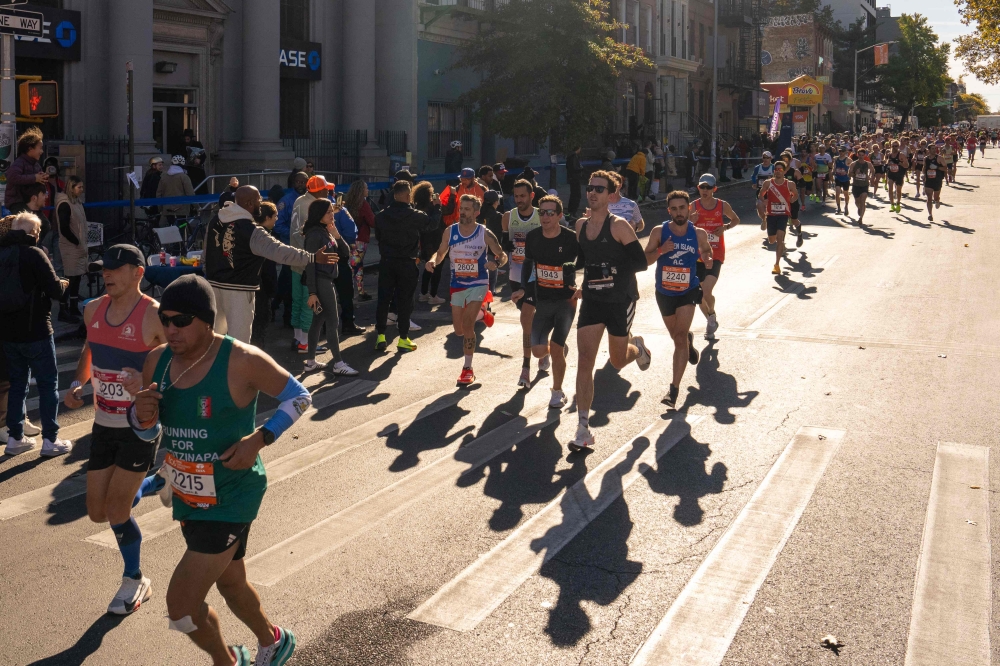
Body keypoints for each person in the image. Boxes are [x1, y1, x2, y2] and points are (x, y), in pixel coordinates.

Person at [130, 275, 304, 666]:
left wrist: (260, 439)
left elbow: (299, 396)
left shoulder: (241, 359)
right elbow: (150, 429)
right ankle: (273, 641)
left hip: (233, 494)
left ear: (207, 321)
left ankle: (227, 663)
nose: (170, 329)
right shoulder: (157, 362)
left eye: (181, 321)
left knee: (181, 606)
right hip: (190, 493)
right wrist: (139, 417)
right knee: (231, 582)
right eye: (165, 318)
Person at [62, 244, 167, 614]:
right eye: (103, 267)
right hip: (102, 424)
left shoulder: (153, 316)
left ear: (138, 273)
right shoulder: (93, 309)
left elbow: (179, 365)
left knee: (118, 509)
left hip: (140, 425)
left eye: (116, 268)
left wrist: (146, 378)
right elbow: (90, 349)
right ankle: (157, 483)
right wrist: (78, 383)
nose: (106, 273)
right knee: (96, 511)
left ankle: (135, 579)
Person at [570, 171, 650, 452]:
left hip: (620, 299)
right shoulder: (580, 225)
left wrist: (609, 272)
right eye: (590, 188)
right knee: (585, 361)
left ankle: (637, 348)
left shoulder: (620, 227)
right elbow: (579, 260)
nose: (592, 193)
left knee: (617, 361)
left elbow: (640, 263)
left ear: (611, 195)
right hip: (593, 299)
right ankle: (583, 427)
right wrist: (574, 282)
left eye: (599, 190)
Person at [204, 186, 338, 344]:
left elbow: (205, 253)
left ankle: (214, 368)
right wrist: (312, 257)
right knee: (238, 344)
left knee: (213, 341)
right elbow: (281, 252)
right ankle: (237, 369)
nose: (261, 204)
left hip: (213, 288)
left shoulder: (215, 221)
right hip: (239, 291)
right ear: (249, 203)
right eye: (259, 200)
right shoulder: (252, 231)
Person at [1, 213, 71, 456]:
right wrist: (64, 282)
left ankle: (14, 438)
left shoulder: (2, 254)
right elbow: (55, 290)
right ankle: (50, 440)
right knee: (48, 384)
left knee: (17, 385)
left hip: (9, 335)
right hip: (37, 330)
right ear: (35, 233)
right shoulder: (34, 253)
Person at [425, 194, 507, 385]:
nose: (462, 212)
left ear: (476, 212)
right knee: (459, 330)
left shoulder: (483, 233)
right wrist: (432, 261)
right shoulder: (450, 231)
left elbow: (502, 255)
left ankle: (467, 369)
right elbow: (440, 253)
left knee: (468, 325)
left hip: (478, 283)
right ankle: (482, 313)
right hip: (457, 285)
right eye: (461, 208)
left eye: (467, 209)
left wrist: (495, 262)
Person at [644, 191, 714, 408]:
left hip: (688, 291)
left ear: (689, 209)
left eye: (682, 208)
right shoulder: (659, 232)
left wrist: (708, 258)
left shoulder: (698, 233)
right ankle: (688, 343)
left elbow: (706, 249)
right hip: (664, 293)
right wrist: (660, 250)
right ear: (669, 211)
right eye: (674, 209)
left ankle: (673, 390)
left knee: (680, 334)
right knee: (677, 338)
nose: (678, 212)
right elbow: (644, 260)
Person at [514, 195, 579, 407]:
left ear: (560, 215)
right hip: (543, 300)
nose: (546, 217)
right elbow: (528, 263)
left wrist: (580, 284)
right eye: (542, 212)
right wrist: (524, 288)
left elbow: (587, 260)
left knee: (557, 349)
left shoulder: (570, 238)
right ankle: (555, 349)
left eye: (551, 213)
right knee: (538, 351)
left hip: (565, 302)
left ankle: (557, 391)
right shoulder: (533, 237)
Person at [373, 180, 438, 352]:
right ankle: (403, 338)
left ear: (394, 195)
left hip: (387, 261)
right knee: (405, 300)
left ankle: (380, 336)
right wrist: (436, 207)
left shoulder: (380, 216)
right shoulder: (415, 215)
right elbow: (431, 225)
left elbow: (378, 237)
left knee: (384, 299)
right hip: (407, 262)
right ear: (408, 195)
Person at [302, 199, 359, 376]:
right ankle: (338, 363)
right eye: (328, 212)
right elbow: (310, 264)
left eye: (331, 211)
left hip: (327, 280)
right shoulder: (314, 235)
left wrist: (336, 234)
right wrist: (312, 292)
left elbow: (345, 253)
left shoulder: (325, 231)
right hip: (321, 281)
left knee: (318, 321)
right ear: (319, 214)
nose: (331, 214)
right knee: (333, 322)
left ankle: (310, 361)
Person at [502, 179, 546, 388]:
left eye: (522, 196)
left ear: (531, 196)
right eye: (516, 196)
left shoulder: (542, 215)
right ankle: (544, 346)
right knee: (529, 320)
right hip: (516, 274)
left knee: (527, 318)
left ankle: (526, 368)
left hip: (539, 275)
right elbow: (503, 246)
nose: (519, 200)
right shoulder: (508, 217)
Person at [689, 174, 739, 339]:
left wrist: (725, 227)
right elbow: (678, 227)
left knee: (706, 290)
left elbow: (736, 219)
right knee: (699, 294)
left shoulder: (722, 205)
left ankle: (711, 316)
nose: (704, 190)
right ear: (698, 188)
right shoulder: (692, 206)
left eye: (708, 188)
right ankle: (711, 319)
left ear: (714, 189)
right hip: (695, 256)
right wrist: (690, 221)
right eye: (702, 187)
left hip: (715, 254)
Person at [287, 174, 332, 350]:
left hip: (295, 259)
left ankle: (298, 338)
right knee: (309, 301)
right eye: (326, 188)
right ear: (319, 190)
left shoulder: (300, 200)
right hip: (308, 260)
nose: (328, 191)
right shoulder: (312, 206)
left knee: (297, 300)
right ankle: (306, 341)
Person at [55, 177, 88, 324]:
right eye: (79, 187)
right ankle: (63, 309)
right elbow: (64, 228)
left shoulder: (77, 203)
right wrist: (76, 241)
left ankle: (73, 306)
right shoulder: (65, 204)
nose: (81, 189)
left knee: (77, 277)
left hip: (79, 245)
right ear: (71, 188)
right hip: (70, 246)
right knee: (70, 278)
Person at [757, 160, 797, 275]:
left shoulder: (789, 184)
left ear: (784, 171)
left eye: (780, 170)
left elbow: (795, 195)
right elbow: (761, 193)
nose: (778, 172)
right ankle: (782, 246)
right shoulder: (768, 183)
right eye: (776, 170)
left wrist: (790, 201)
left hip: (783, 214)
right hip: (771, 214)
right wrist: (763, 200)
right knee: (771, 240)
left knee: (780, 238)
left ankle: (777, 265)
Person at [414, 181, 447, 305]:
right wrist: (438, 206)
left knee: (428, 267)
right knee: (437, 268)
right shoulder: (433, 208)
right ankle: (433, 295)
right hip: (436, 241)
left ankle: (423, 293)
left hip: (424, 241)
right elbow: (436, 222)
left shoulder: (417, 208)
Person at [344, 180, 376, 302]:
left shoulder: (349, 204)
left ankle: (358, 291)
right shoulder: (363, 204)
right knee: (357, 267)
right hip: (361, 240)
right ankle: (356, 292)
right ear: (361, 190)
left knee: (354, 266)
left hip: (349, 239)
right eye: (366, 188)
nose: (368, 190)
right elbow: (372, 222)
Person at [5, 127, 47, 214]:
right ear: (30, 149)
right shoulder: (20, 162)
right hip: (18, 202)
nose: (42, 151)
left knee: (44, 224)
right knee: (28, 222)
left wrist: (43, 179)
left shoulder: (36, 165)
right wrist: (35, 178)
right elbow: (12, 177)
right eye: (40, 148)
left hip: (31, 202)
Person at [477, 189, 504, 297]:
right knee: (492, 274)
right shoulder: (498, 216)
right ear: (495, 202)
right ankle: (489, 296)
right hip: (493, 249)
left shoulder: (478, 214)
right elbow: (500, 234)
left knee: (480, 276)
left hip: (478, 249)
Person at [156, 155, 196, 228]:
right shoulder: (184, 177)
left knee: (169, 228)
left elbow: (159, 193)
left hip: (167, 209)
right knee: (181, 227)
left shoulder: (164, 176)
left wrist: (160, 208)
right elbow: (190, 193)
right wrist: (197, 206)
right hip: (181, 209)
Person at [847, 148, 872, 225]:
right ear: (857, 155)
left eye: (862, 155)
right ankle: (859, 208)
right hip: (856, 185)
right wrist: (854, 173)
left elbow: (873, 170)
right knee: (857, 201)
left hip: (864, 185)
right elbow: (849, 174)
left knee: (863, 201)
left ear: (865, 155)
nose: (861, 157)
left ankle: (861, 218)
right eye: (859, 155)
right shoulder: (853, 164)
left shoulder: (868, 164)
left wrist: (870, 177)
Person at [922, 143, 945, 221]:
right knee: (929, 198)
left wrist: (937, 167)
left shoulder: (940, 158)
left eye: (935, 148)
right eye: (932, 149)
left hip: (937, 180)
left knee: (935, 197)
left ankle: (937, 201)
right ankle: (930, 214)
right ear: (928, 150)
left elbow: (945, 168)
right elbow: (924, 168)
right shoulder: (926, 158)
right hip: (929, 180)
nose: (934, 150)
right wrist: (923, 175)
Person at [884, 141, 909, 214]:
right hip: (891, 173)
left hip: (899, 174)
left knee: (898, 191)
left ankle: (898, 203)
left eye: (896, 146)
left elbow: (907, 165)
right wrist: (887, 163)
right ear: (891, 146)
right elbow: (886, 162)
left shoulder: (901, 155)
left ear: (898, 146)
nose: (894, 147)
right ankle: (892, 204)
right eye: (893, 146)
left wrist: (900, 163)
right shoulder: (889, 155)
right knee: (890, 189)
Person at [832, 146, 852, 216]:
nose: (841, 153)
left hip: (845, 179)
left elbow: (852, 167)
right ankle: (838, 207)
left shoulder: (848, 159)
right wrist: (833, 172)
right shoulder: (836, 159)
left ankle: (846, 206)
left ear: (845, 152)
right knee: (837, 193)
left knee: (845, 193)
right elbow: (834, 166)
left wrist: (849, 173)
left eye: (842, 151)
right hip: (838, 178)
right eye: (840, 151)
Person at [566, 146, 583, 217]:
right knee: (577, 195)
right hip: (575, 178)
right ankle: (573, 211)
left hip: (572, 178)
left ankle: (571, 211)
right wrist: (581, 169)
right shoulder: (574, 157)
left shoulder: (570, 156)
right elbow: (574, 168)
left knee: (573, 194)